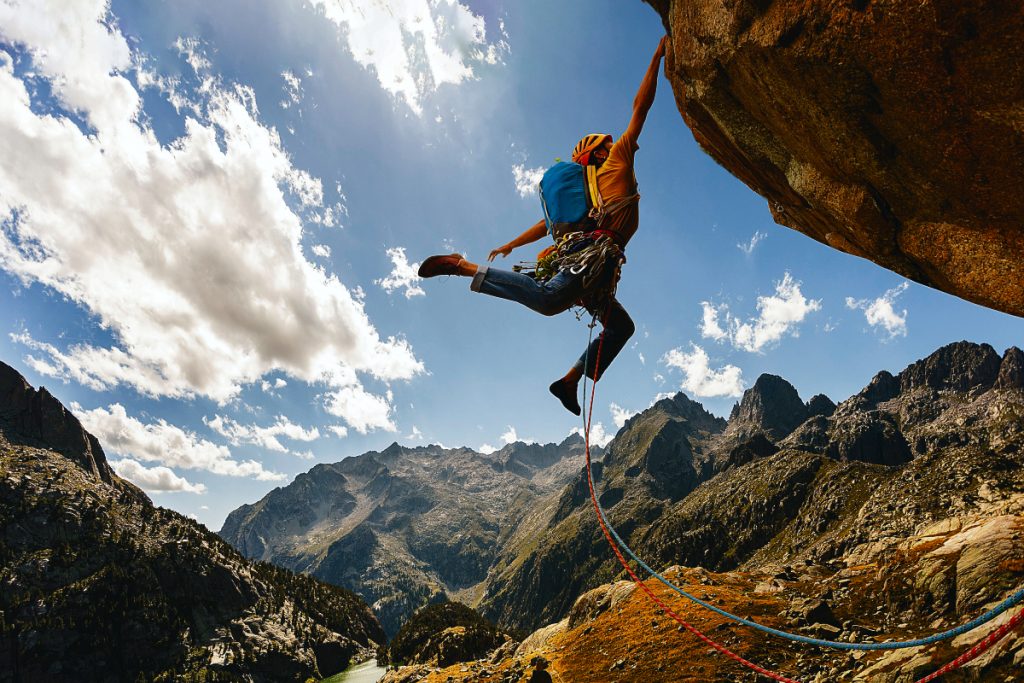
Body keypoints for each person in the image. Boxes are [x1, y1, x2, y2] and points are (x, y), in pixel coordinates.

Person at [419, 37, 668, 415]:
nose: (615, 143)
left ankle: (569, 381)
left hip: (596, 266)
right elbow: (640, 106)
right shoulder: (616, 163)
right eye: (608, 144)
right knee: (550, 300)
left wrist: (510, 244)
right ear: (599, 152)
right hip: (588, 259)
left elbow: (544, 225)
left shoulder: (592, 191)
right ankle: (462, 266)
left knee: (621, 327)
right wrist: (655, 58)